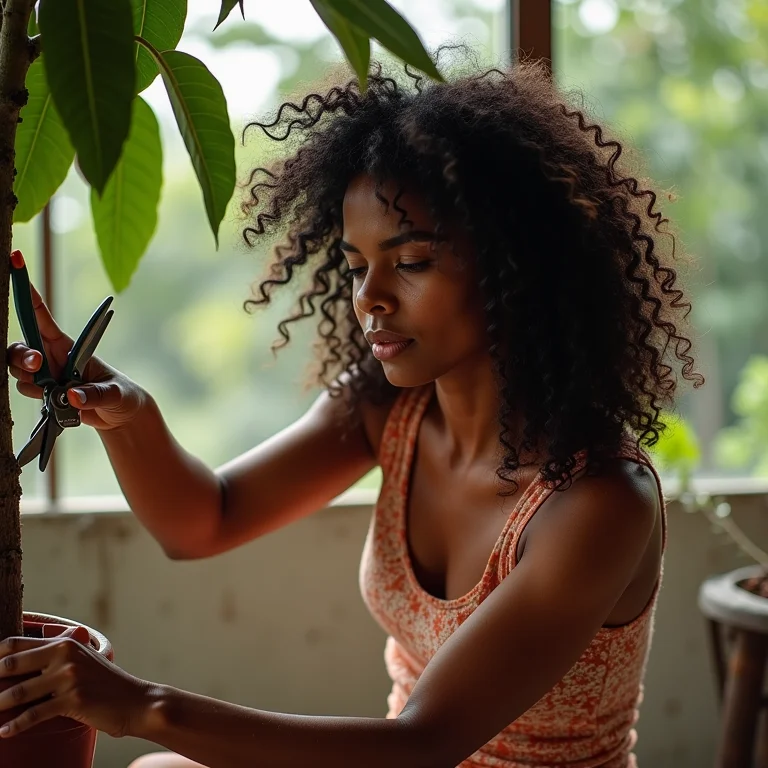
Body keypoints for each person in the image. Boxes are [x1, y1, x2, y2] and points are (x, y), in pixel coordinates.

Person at [1, 54, 703, 768]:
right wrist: (128, 414)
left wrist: (141, 707)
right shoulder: (389, 407)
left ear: (515, 266)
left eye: (412, 262)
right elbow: (201, 520)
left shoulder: (599, 500)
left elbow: (422, 745)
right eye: (357, 264)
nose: (370, 298)